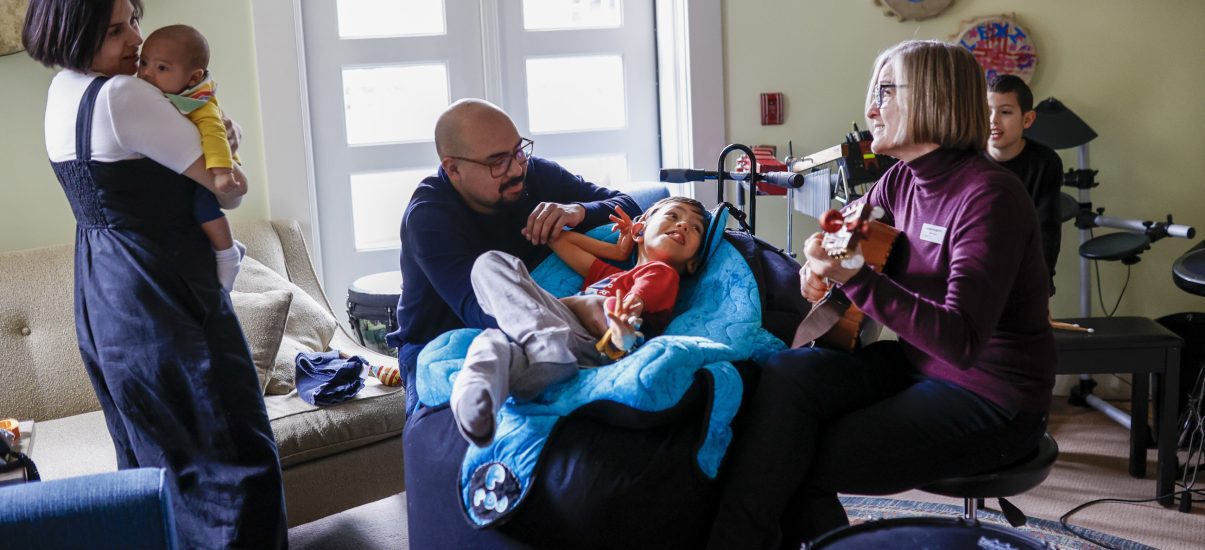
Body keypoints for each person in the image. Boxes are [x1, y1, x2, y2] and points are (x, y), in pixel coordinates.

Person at [707, 40, 1056, 548]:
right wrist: (818, 262)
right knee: (783, 376)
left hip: (994, 397)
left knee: (802, 455)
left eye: (887, 91)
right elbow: (842, 234)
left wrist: (853, 277)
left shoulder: (990, 195)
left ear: (937, 97)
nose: (871, 107)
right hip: (920, 368)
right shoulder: (898, 181)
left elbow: (962, 341)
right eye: (874, 92)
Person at [23, 1, 287, 547]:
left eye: (133, 21)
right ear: (74, 34)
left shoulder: (63, 91)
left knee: (154, 463)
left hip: (101, 287)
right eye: (115, 30)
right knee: (232, 458)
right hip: (162, 286)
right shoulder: (125, 94)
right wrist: (226, 143)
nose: (136, 40)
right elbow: (225, 187)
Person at [384, 98, 639, 414]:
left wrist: (579, 211)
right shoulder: (429, 218)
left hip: (543, 322)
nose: (517, 168)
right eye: (498, 161)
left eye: (519, 150)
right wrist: (578, 311)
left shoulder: (536, 175)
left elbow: (630, 208)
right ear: (453, 169)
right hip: (439, 339)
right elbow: (480, 309)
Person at [450, 197, 709, 445]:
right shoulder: (610, 275)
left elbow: (634, 304)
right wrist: (618, 250)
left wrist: (626, 310)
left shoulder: (661, 272)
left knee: (594, 303)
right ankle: (476, 396)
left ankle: (543, 343)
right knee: (491, 316)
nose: (683, 224)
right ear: (639, 230)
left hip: (604, 341)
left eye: (695, 227)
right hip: (560, 343)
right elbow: (557, 239)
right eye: (673, 216)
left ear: (693, 263)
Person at [137, 23, 245, 292]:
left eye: (161, 68)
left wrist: (222, 173)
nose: (147, 74)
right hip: (187, 168)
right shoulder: (150, 93)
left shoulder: (198, 103)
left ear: (193, 77)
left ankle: (228, 253)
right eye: (144, 63)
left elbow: (216, 134)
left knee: (203, 208)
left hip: (215, 165)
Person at [987, 74, 1064, 296]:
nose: (993, 120)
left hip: (1022, 273)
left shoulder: (1045, 162)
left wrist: (1040, 285)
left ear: (1028, 119)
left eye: (1005, 112)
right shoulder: (967, 157)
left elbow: (1047, 231)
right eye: (987, 110)